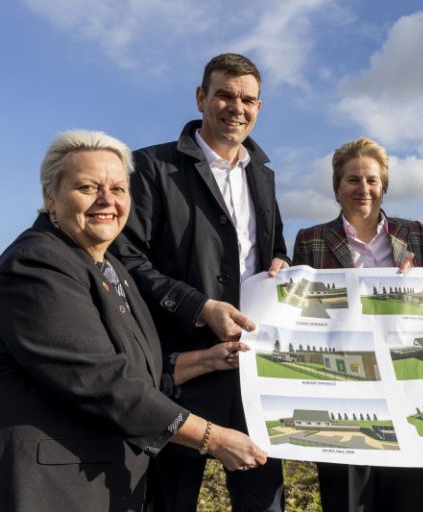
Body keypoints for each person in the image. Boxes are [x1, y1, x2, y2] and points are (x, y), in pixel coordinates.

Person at [0, 131, 267, 512]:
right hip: (51, 488)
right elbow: (102, 381)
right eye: (87, 187)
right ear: (51, 197)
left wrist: (208, 360)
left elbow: (135, 367)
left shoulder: (110, 267)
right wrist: (211, 437)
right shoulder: (36, 265)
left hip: (102, 481)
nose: (107, 201)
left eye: (118, 188)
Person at [111, 53, 289, 511]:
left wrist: (280, 264)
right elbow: (126, 258)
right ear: (201, 98)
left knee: (263, 499)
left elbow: (273, 247)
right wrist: (199, 306)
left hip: (251, 370)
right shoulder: (150, 168)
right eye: (225, 95)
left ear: (259, 107)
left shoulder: (264, 176)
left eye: (247, 99)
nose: (236, 107)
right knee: (170, 499)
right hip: (178, 369)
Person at [292, 137, 423, 512]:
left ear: (383, 186)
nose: (363, 189)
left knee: (405, 497)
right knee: (346, 499)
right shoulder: (311, 239)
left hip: (404, 386)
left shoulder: (413, 233)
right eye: (352, 180)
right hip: (342, 389)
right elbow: (300, 315)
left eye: (371, 180)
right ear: (337, 187)